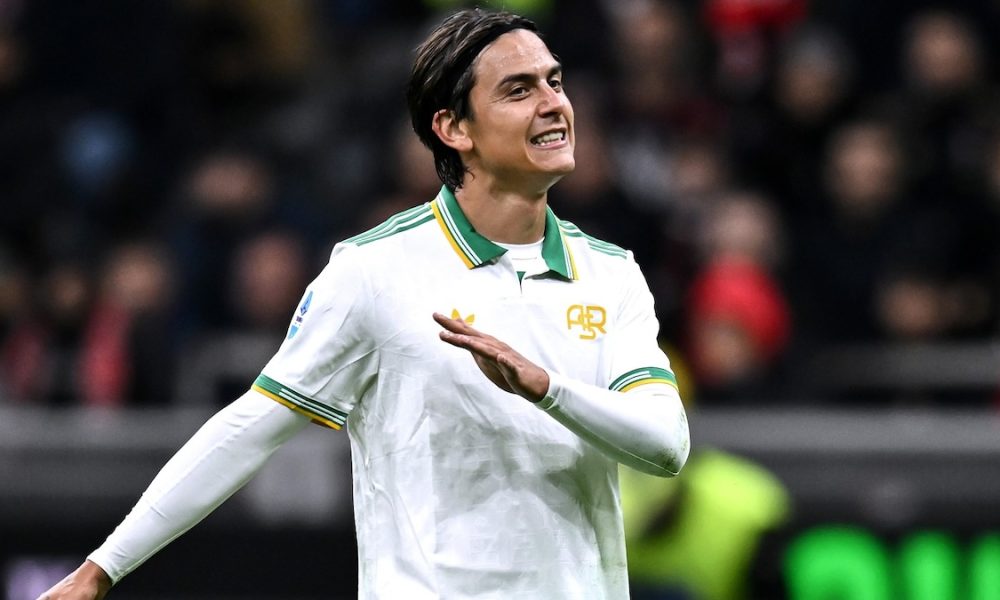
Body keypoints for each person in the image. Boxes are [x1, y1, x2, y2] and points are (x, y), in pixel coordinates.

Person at [39, 8, 689, 599]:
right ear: (452, 128)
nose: (554, 105)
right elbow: (249, 428)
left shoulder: (611, 273)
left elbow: (666, 445)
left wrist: (547, 389)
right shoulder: (375, 271)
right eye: (519, 90)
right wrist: (103, 567)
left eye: (555, 81)